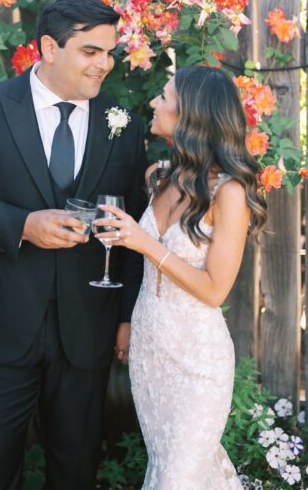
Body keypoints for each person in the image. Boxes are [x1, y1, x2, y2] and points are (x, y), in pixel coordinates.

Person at [0, 0, 147, 490]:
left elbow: (137, 228)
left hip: (87, 329)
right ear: (49, 47)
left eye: (109, 52)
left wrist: (128, 314)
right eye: (90, 51)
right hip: (0, 324)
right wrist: (21, 224)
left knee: (75, 471)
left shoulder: (124, 125)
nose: (104, 65)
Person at [94, 65, 267, 489]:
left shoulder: (230, 193)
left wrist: (143, 242)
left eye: (164, 97)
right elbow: (142, 270)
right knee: (175, 468)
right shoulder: (159, 177)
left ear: (191, 115)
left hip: (196, 363)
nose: (154, 103)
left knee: (177, 479)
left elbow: (214, 290)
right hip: (151, 355)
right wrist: (130, 322)